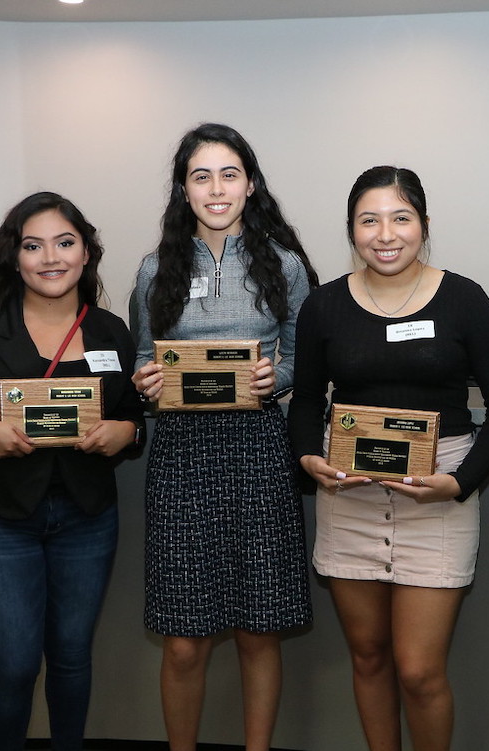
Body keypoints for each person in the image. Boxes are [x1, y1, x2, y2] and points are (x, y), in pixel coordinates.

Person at [287, 165, 489, 751]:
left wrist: (459, 482)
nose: (385, 233)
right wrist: (308, 458)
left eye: (400, 217)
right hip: (350, 493)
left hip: (438, 491)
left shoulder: (464, 299)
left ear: (424, 225)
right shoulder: (323, 306)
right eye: (369, 220)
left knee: (418, 669)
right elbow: (308, 400)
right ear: (351, 230)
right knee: (367, 658)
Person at [0, 191, 146, 750]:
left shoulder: (110, 332)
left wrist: (127, 433)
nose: (51, 257)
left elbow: (129, 416)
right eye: (33, 245)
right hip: (0, 519)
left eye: (65, 242)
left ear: (86, 252)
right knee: (15, 665)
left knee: (71, 660)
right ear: (14, 257)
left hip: (86, 517)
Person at [131, 123, 318, 751]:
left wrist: (275, 375)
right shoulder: (155, 268)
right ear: (183, 190)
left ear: (251, 184)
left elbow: (299, 360)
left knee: (258, 628)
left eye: (229, 174)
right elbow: (140, 360)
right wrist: (148, 380)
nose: (216, 189)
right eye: (201, 176)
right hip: (181, 455)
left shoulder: (286, 266)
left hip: (258, 450)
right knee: (185, 639)